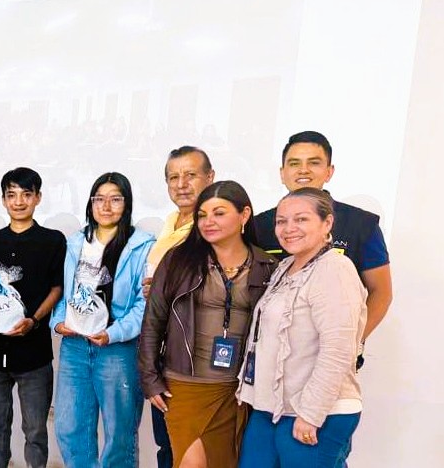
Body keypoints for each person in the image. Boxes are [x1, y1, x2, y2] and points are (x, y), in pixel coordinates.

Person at [138, 181, 275, 468]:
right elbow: (153, 320)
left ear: (244, 214)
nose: (208, 221)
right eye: (202, 215)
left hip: (237, 389)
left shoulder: (266, 266)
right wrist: (150, 378)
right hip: (185, 385)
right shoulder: (178, 260)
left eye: (219, 213)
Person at [237, 188, 366, 467]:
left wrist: (311, 414)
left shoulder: (335, 269)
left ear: (327, 223)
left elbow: (338, 350)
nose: (289, 228)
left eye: (301, 219)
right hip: (272, 409)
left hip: (315, 413)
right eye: (281, 221)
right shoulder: (285, 266)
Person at [252, 131, 391, 360]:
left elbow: (381, 292)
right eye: (294, 163)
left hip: (328, 357)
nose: (303, 170)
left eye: (314, 163)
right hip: (269, 355)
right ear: (282, 173)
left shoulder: (360, 224)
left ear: (329, 171)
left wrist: (350, 344)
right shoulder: (259, 225)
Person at [49, 172, 154, 468]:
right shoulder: (75, 243)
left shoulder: (142, 245)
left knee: (119, 433)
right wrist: (58, 321)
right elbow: (64, 291)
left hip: (117, 349)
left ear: (127, 204)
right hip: (75, 347)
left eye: (115, 199)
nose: (106, 206)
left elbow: (144, 304)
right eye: (99, 199)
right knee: (70, 427)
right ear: (90, 203)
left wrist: (114, 333)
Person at [0, 167, 64, 468]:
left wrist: (34, 321)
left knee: (35, 430)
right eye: (11, 195)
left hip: (34, 354)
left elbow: (56, 288)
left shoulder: (52, 241)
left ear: (38, 198)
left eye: (26, 194)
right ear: (3, 200)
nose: (19, 201)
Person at [144, 145, 215, 468]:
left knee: (194, 449)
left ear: (210, 177)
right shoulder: (171, 221)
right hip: (165, 353)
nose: (181, 184)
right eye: (173, 177)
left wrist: (165, 289)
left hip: (197, 362)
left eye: (190, 175)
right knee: (167, 445)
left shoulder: (214, 228)